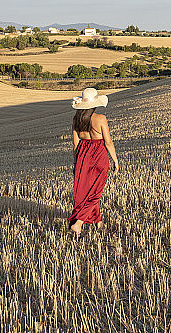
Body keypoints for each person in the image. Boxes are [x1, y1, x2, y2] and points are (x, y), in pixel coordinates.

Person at [68, 87, 119, 234]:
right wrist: (115, 160)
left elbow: (76, 144)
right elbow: (108, 142)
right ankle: (78, 223)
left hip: (82, 155)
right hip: (99, 155)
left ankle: (98, 221)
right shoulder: (100, 118)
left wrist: (76, 162)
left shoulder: (76, 120)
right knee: (96, 191)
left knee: (87, 190)